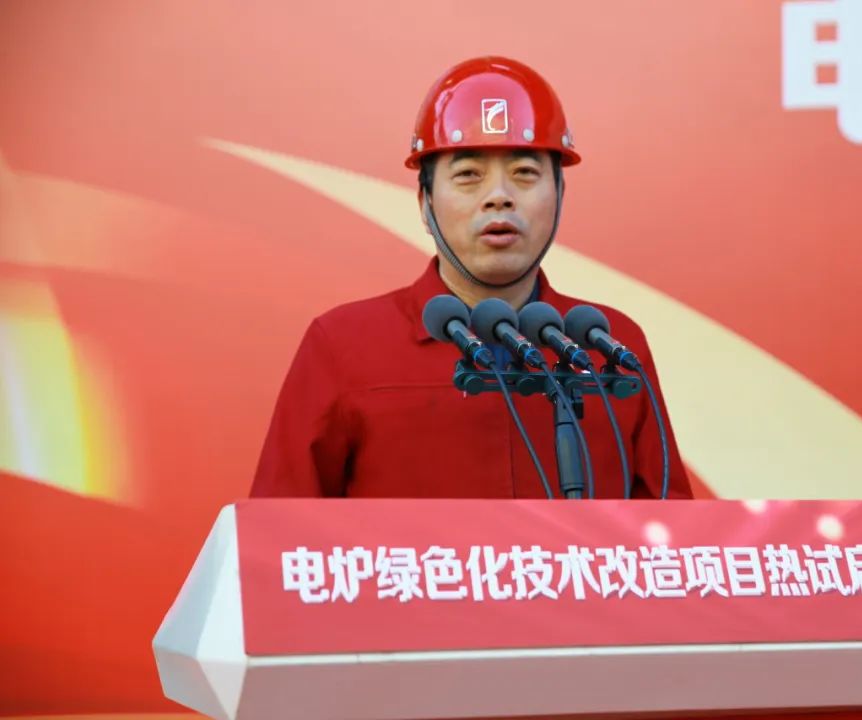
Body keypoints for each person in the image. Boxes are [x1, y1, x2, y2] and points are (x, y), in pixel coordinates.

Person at [250, 56, 692, 500]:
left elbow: (671, 532)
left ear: (560, 194)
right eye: (468, 175)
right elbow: (278, 529)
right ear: (425, 203)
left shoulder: (607, 346)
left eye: (524, 173)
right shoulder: (343, 345)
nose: (498, 197)